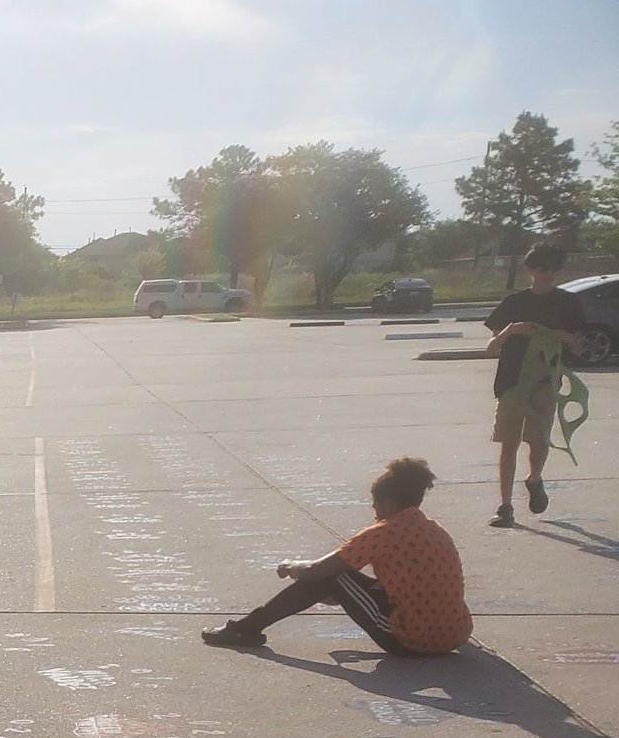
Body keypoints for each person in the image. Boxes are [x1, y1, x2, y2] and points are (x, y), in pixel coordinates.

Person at [201, 458, 470, 657]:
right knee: (336, 580)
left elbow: (320, 571)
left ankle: (246, 628)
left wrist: (294, 567)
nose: (374, 509)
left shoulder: (382, 532)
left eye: (375, 502)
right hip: (454, 634)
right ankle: (246, 627)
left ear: (388, 502)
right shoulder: (436, 529)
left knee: (334, 575)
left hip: (411, 640)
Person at [484, 243, 586, 527]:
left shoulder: (568, 303)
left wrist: (564, 336)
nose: (548, 274)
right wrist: (511, 331)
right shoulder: (513, 304)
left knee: (539, 440)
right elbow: (491, 348)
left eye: (553, 269)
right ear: (530, 269)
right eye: (542, 268)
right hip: (511, 382)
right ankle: (505, 506)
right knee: (508, 443)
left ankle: (535, 478)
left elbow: (579, 347)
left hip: (545, 382)